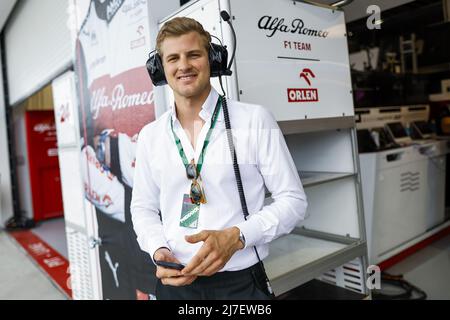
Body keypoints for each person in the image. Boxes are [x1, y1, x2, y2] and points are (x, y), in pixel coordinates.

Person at [131, 17, 307, 300]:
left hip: (240, 285)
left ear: (212, 60)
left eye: (194, 55)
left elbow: (294, 202)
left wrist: (237, 236)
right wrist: (157, 249)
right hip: (175, 284)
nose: (184, 65)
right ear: (160, 69)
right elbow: (143, 209)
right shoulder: (151, 136)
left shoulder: (254, 120)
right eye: (173, 58)